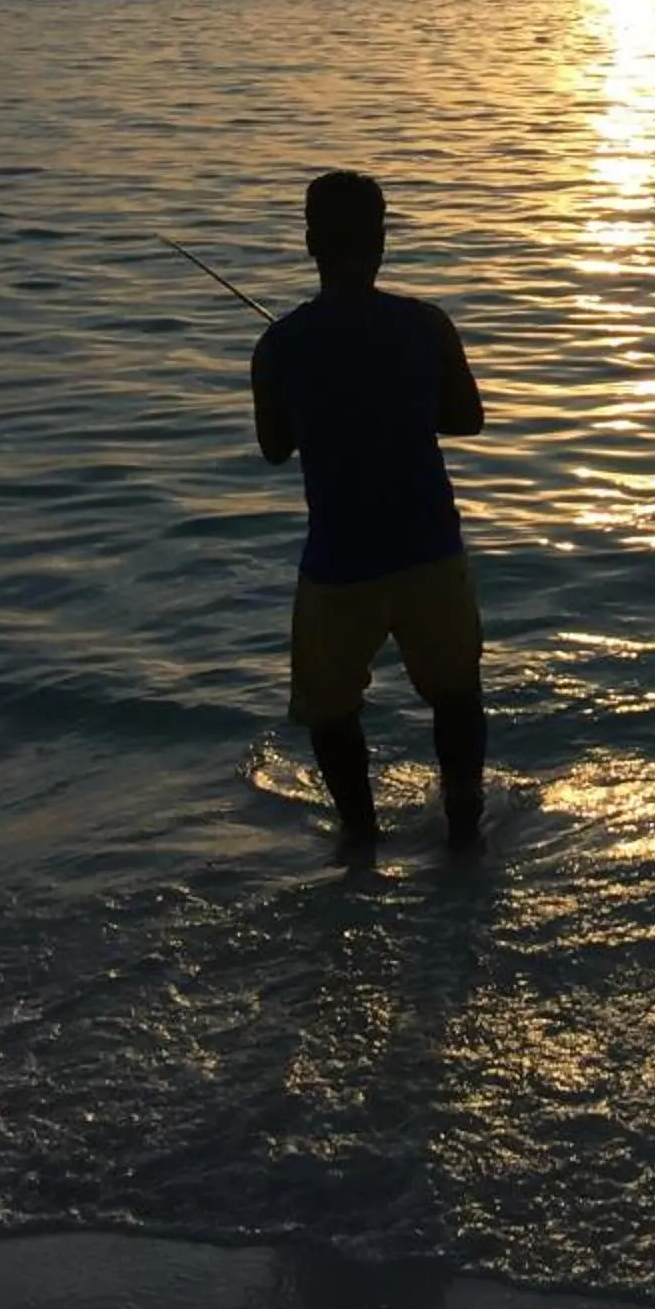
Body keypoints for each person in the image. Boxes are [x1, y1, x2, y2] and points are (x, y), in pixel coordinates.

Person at [250, 169, 488, 850]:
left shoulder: (279, 346)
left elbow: (274, 448)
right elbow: (467, 418)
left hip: (338, 565)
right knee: (456, 697)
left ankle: (360, 841)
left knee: (331, 713)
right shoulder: (426, 324)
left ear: (308, 244)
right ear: (382, 242)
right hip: (429, 553)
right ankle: (465, 835)